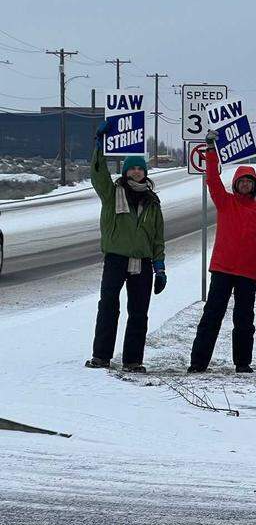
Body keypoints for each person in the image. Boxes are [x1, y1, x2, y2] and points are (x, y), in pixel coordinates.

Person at [188, 129, 256, 374]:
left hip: (248, 274)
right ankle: (198, 362)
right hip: (222, 269)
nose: (245, 184)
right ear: (236, 184)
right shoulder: (225, 201)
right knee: (211, 317)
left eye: (249, 181)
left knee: (244, 321)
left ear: (254, 186)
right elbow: (212, 181)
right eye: (241, 181)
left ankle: (242, 362)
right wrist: (210, 150)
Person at [85, 132, 166, 373]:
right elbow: (98, 176)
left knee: (139, 312)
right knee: (109, 306)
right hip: (116, 259)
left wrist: (159, 267)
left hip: (143, 262)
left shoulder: (152, 203)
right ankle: (101, 356)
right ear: (125, 172)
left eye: (140, 169)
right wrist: (98, 147)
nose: (136, 172)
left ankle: (133, 360)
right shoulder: (112, 194)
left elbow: (158, 238)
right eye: (132, 169)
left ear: (145, 173)